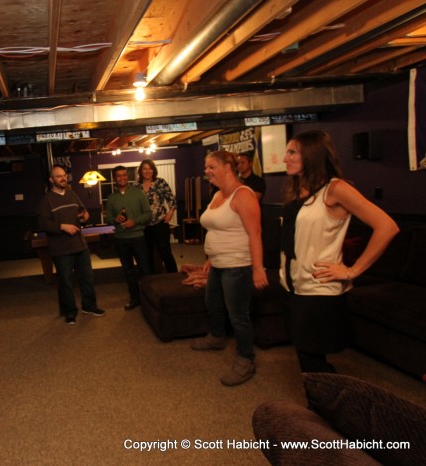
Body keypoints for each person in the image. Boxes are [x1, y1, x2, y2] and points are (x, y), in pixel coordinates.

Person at [280, 130, 398, 373]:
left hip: (318, 288)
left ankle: (326, 406)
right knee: (307, 354)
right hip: (294, 285)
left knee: (311, 357)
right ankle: (325, 401)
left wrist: (352, 271)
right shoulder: (298, 190)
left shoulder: (335, 189)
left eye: (292, 152)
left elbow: (387, 227)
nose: (285, 158)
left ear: (312, 155)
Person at [189, 150, 268, 387]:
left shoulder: (244, 195)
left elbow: (255, 233)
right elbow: (217, 228)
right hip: (218, 264)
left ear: (227, 167)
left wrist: (258, 268)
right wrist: (211, 258)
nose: (207, 172)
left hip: (238, 265)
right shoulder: (217, 196)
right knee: (212, 303)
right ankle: (216, 337)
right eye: (205, 168)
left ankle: (246, 359)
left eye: (211, 166)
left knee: (238, 315)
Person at [37, 164, 106, 324]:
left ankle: (89, 306)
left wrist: (84, 216)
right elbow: (42, 223)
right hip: (61, 250)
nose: (63, 178)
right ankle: (70, 312)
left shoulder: (72, 194)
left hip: (80, 246)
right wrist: (62, 226)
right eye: (58, 176)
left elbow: (81, 212)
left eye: (64, 175)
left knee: (87, 278)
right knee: (66, 283)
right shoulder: (46, 199)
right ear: (51, 179)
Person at [105, 165, 153, 310]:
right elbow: (108, 218)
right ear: (114, 179)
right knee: (128, 271)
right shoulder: (111, 198)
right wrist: (115, 219)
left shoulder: (138, 193)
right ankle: (135, 299)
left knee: (145, 269)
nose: (122, 178)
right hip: (120, 239)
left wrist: (135, 221)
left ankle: (150, 299)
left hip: (138, 237)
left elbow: (148, 214)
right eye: (118, 176)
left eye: (124, 175)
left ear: (128, 176)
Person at [135, 159, 178, 273]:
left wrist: (170, 213)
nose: (147, 171)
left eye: (150, 168)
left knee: (165, 252)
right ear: (141, 171)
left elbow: (171, 199)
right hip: (144, 226)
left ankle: (174, 277)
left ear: (153, 170)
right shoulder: (136, 186)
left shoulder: (161, 182)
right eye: (144, 169)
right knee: (147, 255)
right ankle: (152, 280)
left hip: (160, 224)